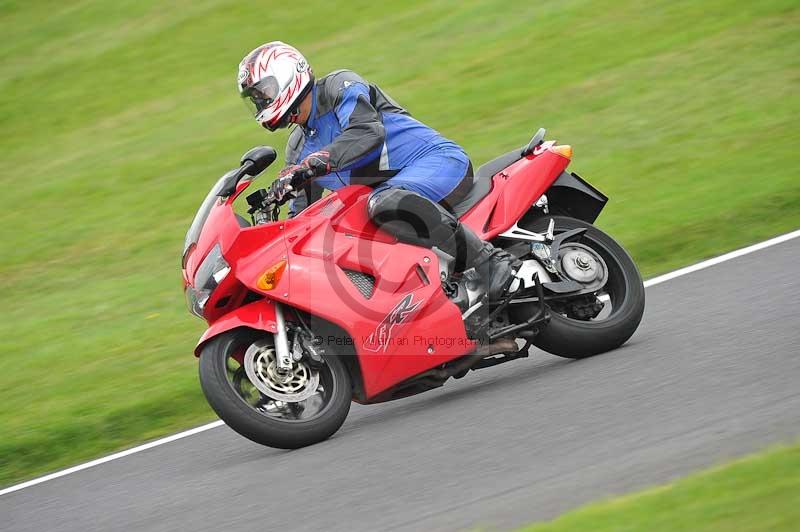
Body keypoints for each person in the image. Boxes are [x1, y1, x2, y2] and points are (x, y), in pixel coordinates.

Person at [237, 41, 517, 302]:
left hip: (437, 162)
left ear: (288, 73)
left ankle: (489, 264)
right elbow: (302, 218)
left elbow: (366, 132)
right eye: (256, 99)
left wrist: (309, 167)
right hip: (391, 199)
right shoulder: (298, 148)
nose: (261, 104)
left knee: (384, 202)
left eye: (264, 93)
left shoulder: (339, 87)